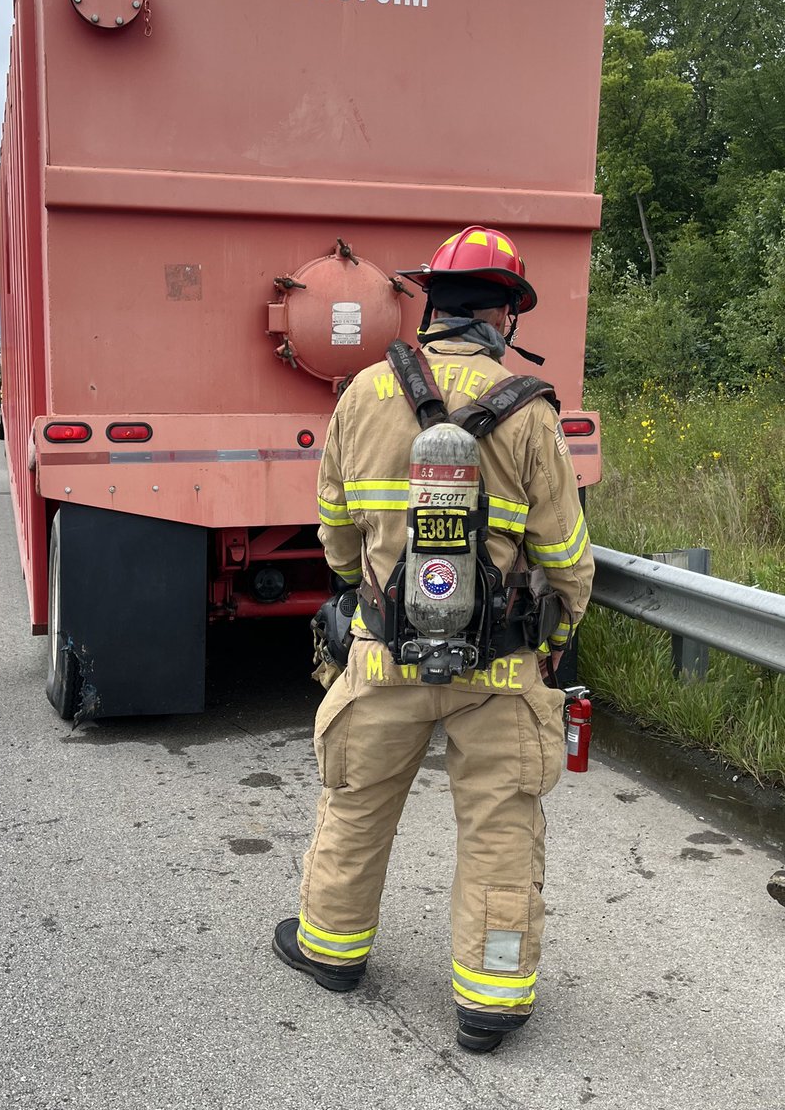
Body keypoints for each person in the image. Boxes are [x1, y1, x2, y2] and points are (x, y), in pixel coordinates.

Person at [272, 225, 594, 1052]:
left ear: (433, 305)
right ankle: (490, 1000)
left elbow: (336, 533)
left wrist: (364, 590)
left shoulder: (361, 395)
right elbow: (565, 554)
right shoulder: (529, 412)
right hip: (499, 667)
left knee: (355, 807)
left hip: (382, 656)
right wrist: (556, 635)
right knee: (500, 829)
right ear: (506, 315)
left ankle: (331, 951)